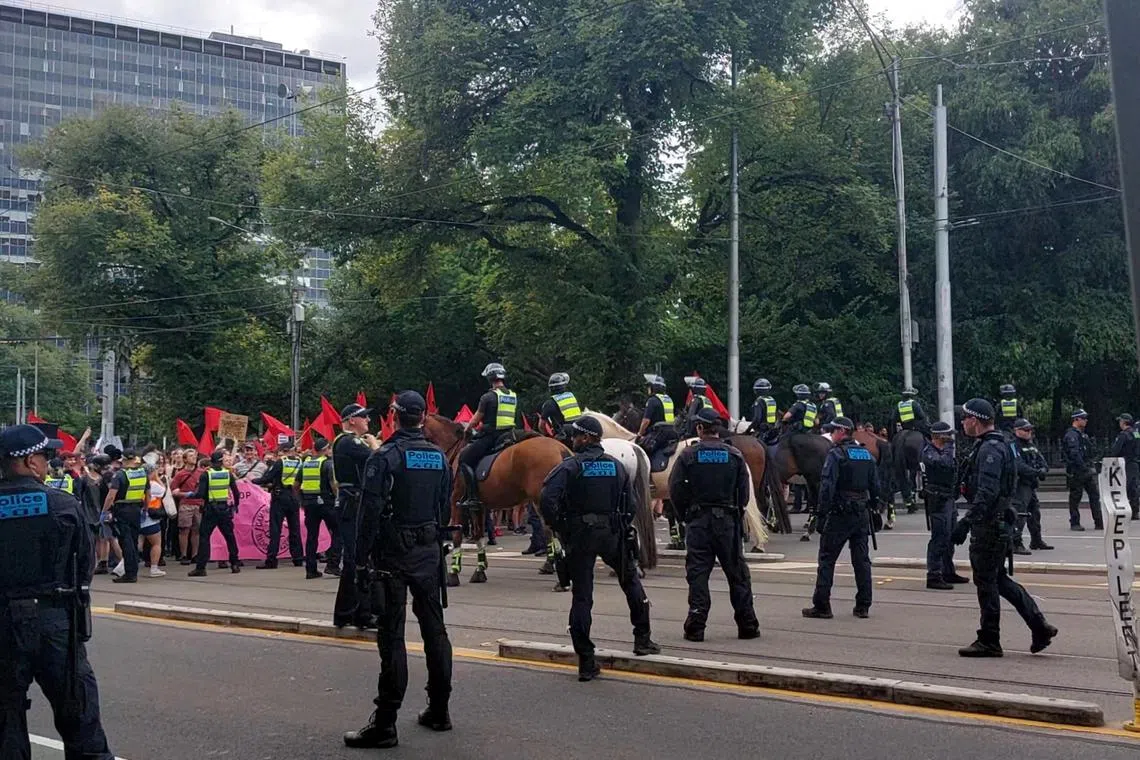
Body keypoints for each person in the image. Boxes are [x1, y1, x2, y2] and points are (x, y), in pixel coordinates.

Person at [344, 391, 454, 749]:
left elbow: (369, 513)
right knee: (435, 631)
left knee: (392, 636)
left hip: (392, 554)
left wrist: (360, 560)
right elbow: (444, 509)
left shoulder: (385, 457)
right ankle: (439, 710)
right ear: (422, 417)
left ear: (394, 416)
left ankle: (386, 724)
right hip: (428, 550)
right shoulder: (439, 456)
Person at [0, 425, 115, 760]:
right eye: (44, 456)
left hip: (3, 626)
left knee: (6, 723)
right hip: (56, 623)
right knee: (80, 720)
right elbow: (86, 565)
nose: (48, 463)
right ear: (29, 462)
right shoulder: (63, 505)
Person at [540, 416, 660, 681]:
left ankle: (586, 661)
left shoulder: (570, 467)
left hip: (581, 536)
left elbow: (547, 498)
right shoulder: (616, 467)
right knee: (630, 582)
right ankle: (643, 640)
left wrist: (562, 525)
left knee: (583, 596)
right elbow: (632, 503)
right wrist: (618, 523)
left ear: (585, 438)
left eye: (576, 436)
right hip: (612, 534)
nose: (573, 440)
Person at [953, 398, 1058, 657]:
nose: (962, 423)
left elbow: (987, 492)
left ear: (974, 420)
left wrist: (966, 522)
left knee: (986, 582)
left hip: (989, 525)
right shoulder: (1002, 446)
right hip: (999, 522)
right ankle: (1039, 626)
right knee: (998, 579)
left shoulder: (990, 450)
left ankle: (990, 639)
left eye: (965, 418)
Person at [668, 407, 759, 641]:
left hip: (699, 522)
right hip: (727, 521)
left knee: (698, 574)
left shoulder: (688, 455)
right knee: (737, 573)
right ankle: (747, 625)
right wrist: (735, 514)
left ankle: (696, 626)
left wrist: (685, 516)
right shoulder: (735, 455)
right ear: (717, 429)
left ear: (699, 428)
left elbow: (675, 489)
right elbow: (744, 492)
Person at [802, 417, 877, 619]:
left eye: (834, 430)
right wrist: (875, 508)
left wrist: (821, 514)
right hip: (861, 512)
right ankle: (863, 605)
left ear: (842, 431)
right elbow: (875, 486)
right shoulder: (865, 453)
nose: (831, 434)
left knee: (827, 559)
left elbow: (827, 487)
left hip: (840, 512)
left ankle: (822, 605)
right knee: (861, 560)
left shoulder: (836, 454)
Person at [332, 403, 381, 627]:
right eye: (364, 418)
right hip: (352, 502)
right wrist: (374, 443)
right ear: (352, 420)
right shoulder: (348, 441)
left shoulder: (350, 442)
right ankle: (355, 613)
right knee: (355, 558)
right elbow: (378, 459)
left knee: (359, 558)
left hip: (355, 501)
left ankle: (353, 612)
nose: (367, 421)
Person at [458, 363, 517, 509]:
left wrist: (467, 429)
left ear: (490, 378)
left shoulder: (488, 397)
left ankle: (473, 497)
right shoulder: (512, 395)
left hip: (491, 436)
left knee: (464, 459)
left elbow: (476, 418)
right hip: (509, 434)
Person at [921, 422, 968, 590]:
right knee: (939, 538)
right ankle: (933, 574)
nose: (951, 439)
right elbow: (945, 464)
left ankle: (948, 570)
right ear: (938, 437)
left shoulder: (944, 451)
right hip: (938, 500)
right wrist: (949, 449)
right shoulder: (930, 453)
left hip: (949, 498)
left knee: (950, 537)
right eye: (948, 436)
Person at [187, 451, 241, 577]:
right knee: (230, 537)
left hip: (210, 509)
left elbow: (200, 494)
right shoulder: (228, 474)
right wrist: (235, 506)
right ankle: (235, 564)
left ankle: (201, 568)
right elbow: (236, 493)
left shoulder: (206, 475)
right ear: (221, 461)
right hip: (224, 509)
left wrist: (190, 494)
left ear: (211, 461)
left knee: (205, 537)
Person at [253, 442, 305, 569]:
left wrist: (252, 481)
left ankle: (271, 560)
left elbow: (268, 478)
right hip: (294, 496)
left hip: (280, 496)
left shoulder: (280, 462)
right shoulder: (300, 462)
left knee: (275, 529)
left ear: (284, 451)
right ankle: (298, 558)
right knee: (294, 529)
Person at [101, 452, 150, 584]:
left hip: (122, 510)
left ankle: (129, 574)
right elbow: (147, 494)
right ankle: (133, 571)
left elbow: (111, 496)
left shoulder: (120, 475)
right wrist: (146, 508)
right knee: (133, 541)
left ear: (123, 460)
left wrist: (104, 511)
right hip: (136, 510)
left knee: (126, 542)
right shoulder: (142, 473)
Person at [296, 437, 340, 579]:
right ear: (326, 449)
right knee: (339, 532)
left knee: (311, 537)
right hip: (326, 503)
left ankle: (311, 570)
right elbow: (333, 484)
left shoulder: (305, 464)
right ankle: (332, 564)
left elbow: (296, 485)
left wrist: (301, 501)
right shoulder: (327, 464)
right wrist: (338, 499)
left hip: (309, 504)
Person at [1011, 419, 1053, 552]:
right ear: (1017, 431)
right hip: (1020, 484)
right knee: (1020, 514)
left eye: (1030, 429)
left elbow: (1042, 461)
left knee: (1035, 513)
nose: (1029, 432)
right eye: (1026, 430)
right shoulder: (1013, 445)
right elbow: (1018, 465)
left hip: (1031, 484)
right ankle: (1016, 542)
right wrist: (1036, 472)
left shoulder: (1031, 445)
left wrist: (1043, 470)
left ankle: (1036, 540)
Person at [1061, 409, 1103, 532]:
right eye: (1083, 418)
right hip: (1076, 471)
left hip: (1085, 470)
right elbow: (1074, 455)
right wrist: (1084, 467)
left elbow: (1089, 451)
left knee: (1094, 496)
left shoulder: (1082, 435)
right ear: (1076, 419)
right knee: (1075, 497)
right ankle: (1074, 522)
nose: (1086, 420)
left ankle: (1099, 521)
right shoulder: (1071, 435)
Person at [171, 452, 205, 566]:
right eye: (191, 456)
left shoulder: (201, 472)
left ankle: (195, 554)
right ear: (185, 459)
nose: (194, 458)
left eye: (195, 456)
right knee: (184, 530)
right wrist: (184, 494)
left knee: (196, 531)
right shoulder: (180, 474)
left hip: (198, 504)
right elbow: (174, 490)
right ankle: (184, 554)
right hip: (186, 504)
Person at [636, 374, 677, 458]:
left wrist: (639, 434)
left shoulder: (652, 400)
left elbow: (646, 421)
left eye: (649, 387)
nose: (648, 389)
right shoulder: (668, 399)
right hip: (672, 432)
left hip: (658, 433)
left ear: (653, 387)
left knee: (640, 451)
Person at [539, 372, 583, 444]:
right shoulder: (571, 396)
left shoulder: (549, 404)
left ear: (550, 388)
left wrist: (548, 436)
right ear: (564, 386)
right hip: (579, 433)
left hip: (564, 437)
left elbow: (541, 426)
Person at [1111, 413, 1140, 521]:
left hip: (1124, 463)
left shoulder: (1123, 435)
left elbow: (1115, 450)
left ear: (1123, 422)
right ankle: (1135, 511)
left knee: (1124, 488)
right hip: (1135, 463)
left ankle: (1125, 510)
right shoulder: (1136, 433)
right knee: (1134, 487)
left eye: (1120, 421)